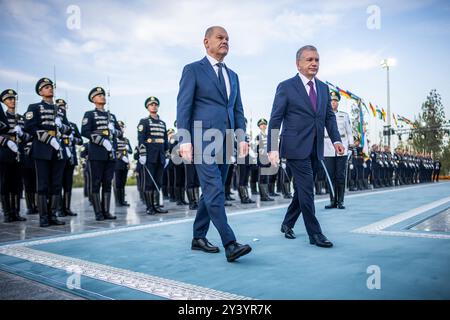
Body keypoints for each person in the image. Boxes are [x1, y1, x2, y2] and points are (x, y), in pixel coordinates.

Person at [176, 26, 252, 262]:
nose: (225, 41)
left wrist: (242, 138)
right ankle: (230, 243)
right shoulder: (193, 70)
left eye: (228, 38)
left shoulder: (233, 76)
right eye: (220, 37)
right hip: (202, 140)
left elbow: (237, 109)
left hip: (226, 141)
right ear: (206, 42)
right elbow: (183, 106)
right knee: (215, 190)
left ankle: (198, 237)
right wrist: (185, 140)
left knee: (210, 192)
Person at [267, 45, 344, 247]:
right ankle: (315, 234)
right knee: (307, 189)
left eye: (317, 60)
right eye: (309, 59)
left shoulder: (323, 88)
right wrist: (272, 147)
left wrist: (336, 140)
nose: (314, 63)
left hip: (316, 147)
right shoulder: (286, 86)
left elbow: (329, 116)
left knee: (303, 189)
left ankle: (287, 223)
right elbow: (275, 119)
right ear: (298, 64)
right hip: (294, 147)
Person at [24, 78, 71, 227]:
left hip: (58, 149)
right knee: (43, 184)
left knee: (56, 184)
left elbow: (68, 129)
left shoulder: (60, 110)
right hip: (42, 148)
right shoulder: (34, 107)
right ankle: (44, 218)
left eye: (51, 86)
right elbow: (29, 127)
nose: (50, 89)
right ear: (40, 91)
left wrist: (61, 127)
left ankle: (53, 215)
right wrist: (47, 138)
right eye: (46, 87)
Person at [81, 87, 121, 221]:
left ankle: (106, 211)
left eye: (103, 95)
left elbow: (120, 133)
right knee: (96, 183)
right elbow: (85, 131)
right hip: (97, 153)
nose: (102, 97)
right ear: (93, 99)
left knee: (107, 182)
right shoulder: (89, 114)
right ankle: (98, 212)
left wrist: (113, 131)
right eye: (99, 95)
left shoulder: (112, 116)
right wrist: (101, 141)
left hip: (110, 154)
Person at [0, 89, 29, 222]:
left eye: (13, 99)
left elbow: (29, 136)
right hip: (5, 152)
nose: (12, 101)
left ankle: (16, 212)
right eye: (9, 99)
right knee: (5, 183)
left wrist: (22, 134)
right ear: (4, 102)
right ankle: (7, 213)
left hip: (19, 152)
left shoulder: (21, 119)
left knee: (17, 184)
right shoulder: (2, 118)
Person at [137, 96, 169, 215]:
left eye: (155, 104)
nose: (153, 106)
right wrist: (143, 154)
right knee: (149, 183)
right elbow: (141, 139)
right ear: (147, 107)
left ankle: (156, 205)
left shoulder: (162, 123)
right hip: (149, 156)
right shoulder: (144, 121)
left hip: (160, 156)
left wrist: (167, 156)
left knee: (158, 182)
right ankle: (149, 206)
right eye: (151, 104)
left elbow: (165, 141)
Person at [323, 91, 353, 209]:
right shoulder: (324, 116)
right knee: (330, 176)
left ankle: (340, 201)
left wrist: (350, 146)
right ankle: (332, 201)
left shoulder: (344, 116)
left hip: (342, 148)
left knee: (340, 175)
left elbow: (349, 132)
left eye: (335, 101)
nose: (333, 103)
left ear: (338, 103)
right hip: (327, 148)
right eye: (331, 101)